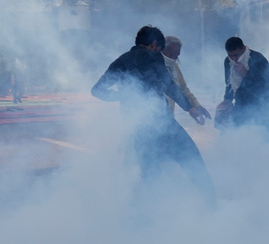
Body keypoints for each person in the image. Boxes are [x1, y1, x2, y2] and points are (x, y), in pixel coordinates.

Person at [91, 25, 216, 205]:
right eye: (159, 48)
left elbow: (97, 91)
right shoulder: (153, 56)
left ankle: (149, 222)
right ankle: (212, 203)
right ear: (154, 44)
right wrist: (189, 107)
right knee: (192, 160)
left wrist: (122, 95)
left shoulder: (121, 61)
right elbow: (169, 85)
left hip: (139, 129)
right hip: (163, 124)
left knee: (151, 177)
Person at [216, 36, 269, 143]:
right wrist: (227, 99)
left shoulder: (257, 58)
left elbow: (263, 82)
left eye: (236, 55)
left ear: (243, 49)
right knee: (240, 128)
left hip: (263, 100)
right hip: (241, 100)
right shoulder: (227, 61)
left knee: (263, 131)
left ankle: (267, 154)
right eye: (230, 55)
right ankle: (244, 153)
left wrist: (246, 73)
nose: (233, 58)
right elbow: (229, 83)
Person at [161, 36, 210, 127]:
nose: (173, 58)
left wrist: (196, 105)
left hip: (169, 117)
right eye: (171, 55)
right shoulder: (154, 66)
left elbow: (183, 88)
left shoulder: (174, 66)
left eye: (176, 56)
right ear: (163, 50)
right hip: (155, 117)